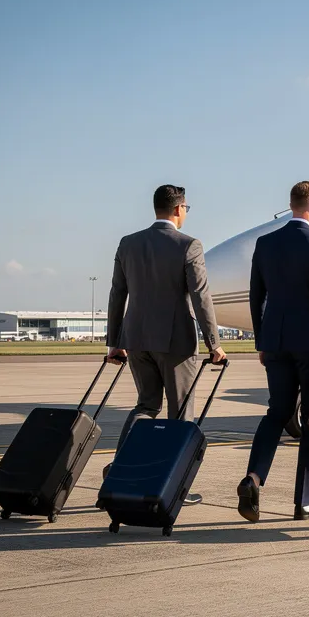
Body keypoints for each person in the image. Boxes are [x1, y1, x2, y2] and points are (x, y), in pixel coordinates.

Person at [106, 184, 226, 506]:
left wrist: (114, 342)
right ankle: (174, 486)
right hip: (175, 343)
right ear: (178, 209)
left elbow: (117, 294)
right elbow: (200, 296)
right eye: (186, 208)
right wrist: (214, 343)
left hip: (135, 339)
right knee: (181, 413)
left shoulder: (128, 243)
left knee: (146, 406)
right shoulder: (189, 245)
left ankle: (119, 467)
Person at [237, 181, 309, 522]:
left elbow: (256, 296)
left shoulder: (265, 243)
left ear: (292, 204)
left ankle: (253, 478)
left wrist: (262, 341)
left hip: (275, 342)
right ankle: (304, 501)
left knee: (276, 413)